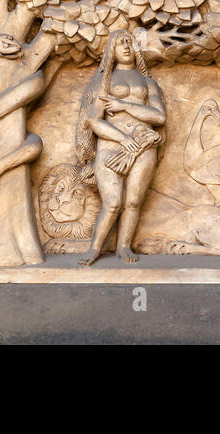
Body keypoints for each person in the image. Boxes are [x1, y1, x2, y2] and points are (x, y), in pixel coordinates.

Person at [76, 30, 166, 265]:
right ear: (111, 51)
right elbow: (94, 121)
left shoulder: (148, 83)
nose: (126, 46)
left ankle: (124, 246)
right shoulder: (103, 81)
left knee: (133, 201)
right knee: (113, 202)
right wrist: (122, 138)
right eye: (120, 43)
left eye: (129, 42)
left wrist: (122, 104)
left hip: (144, 145)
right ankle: (94, 248)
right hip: (111, 145)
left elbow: (159, 117)